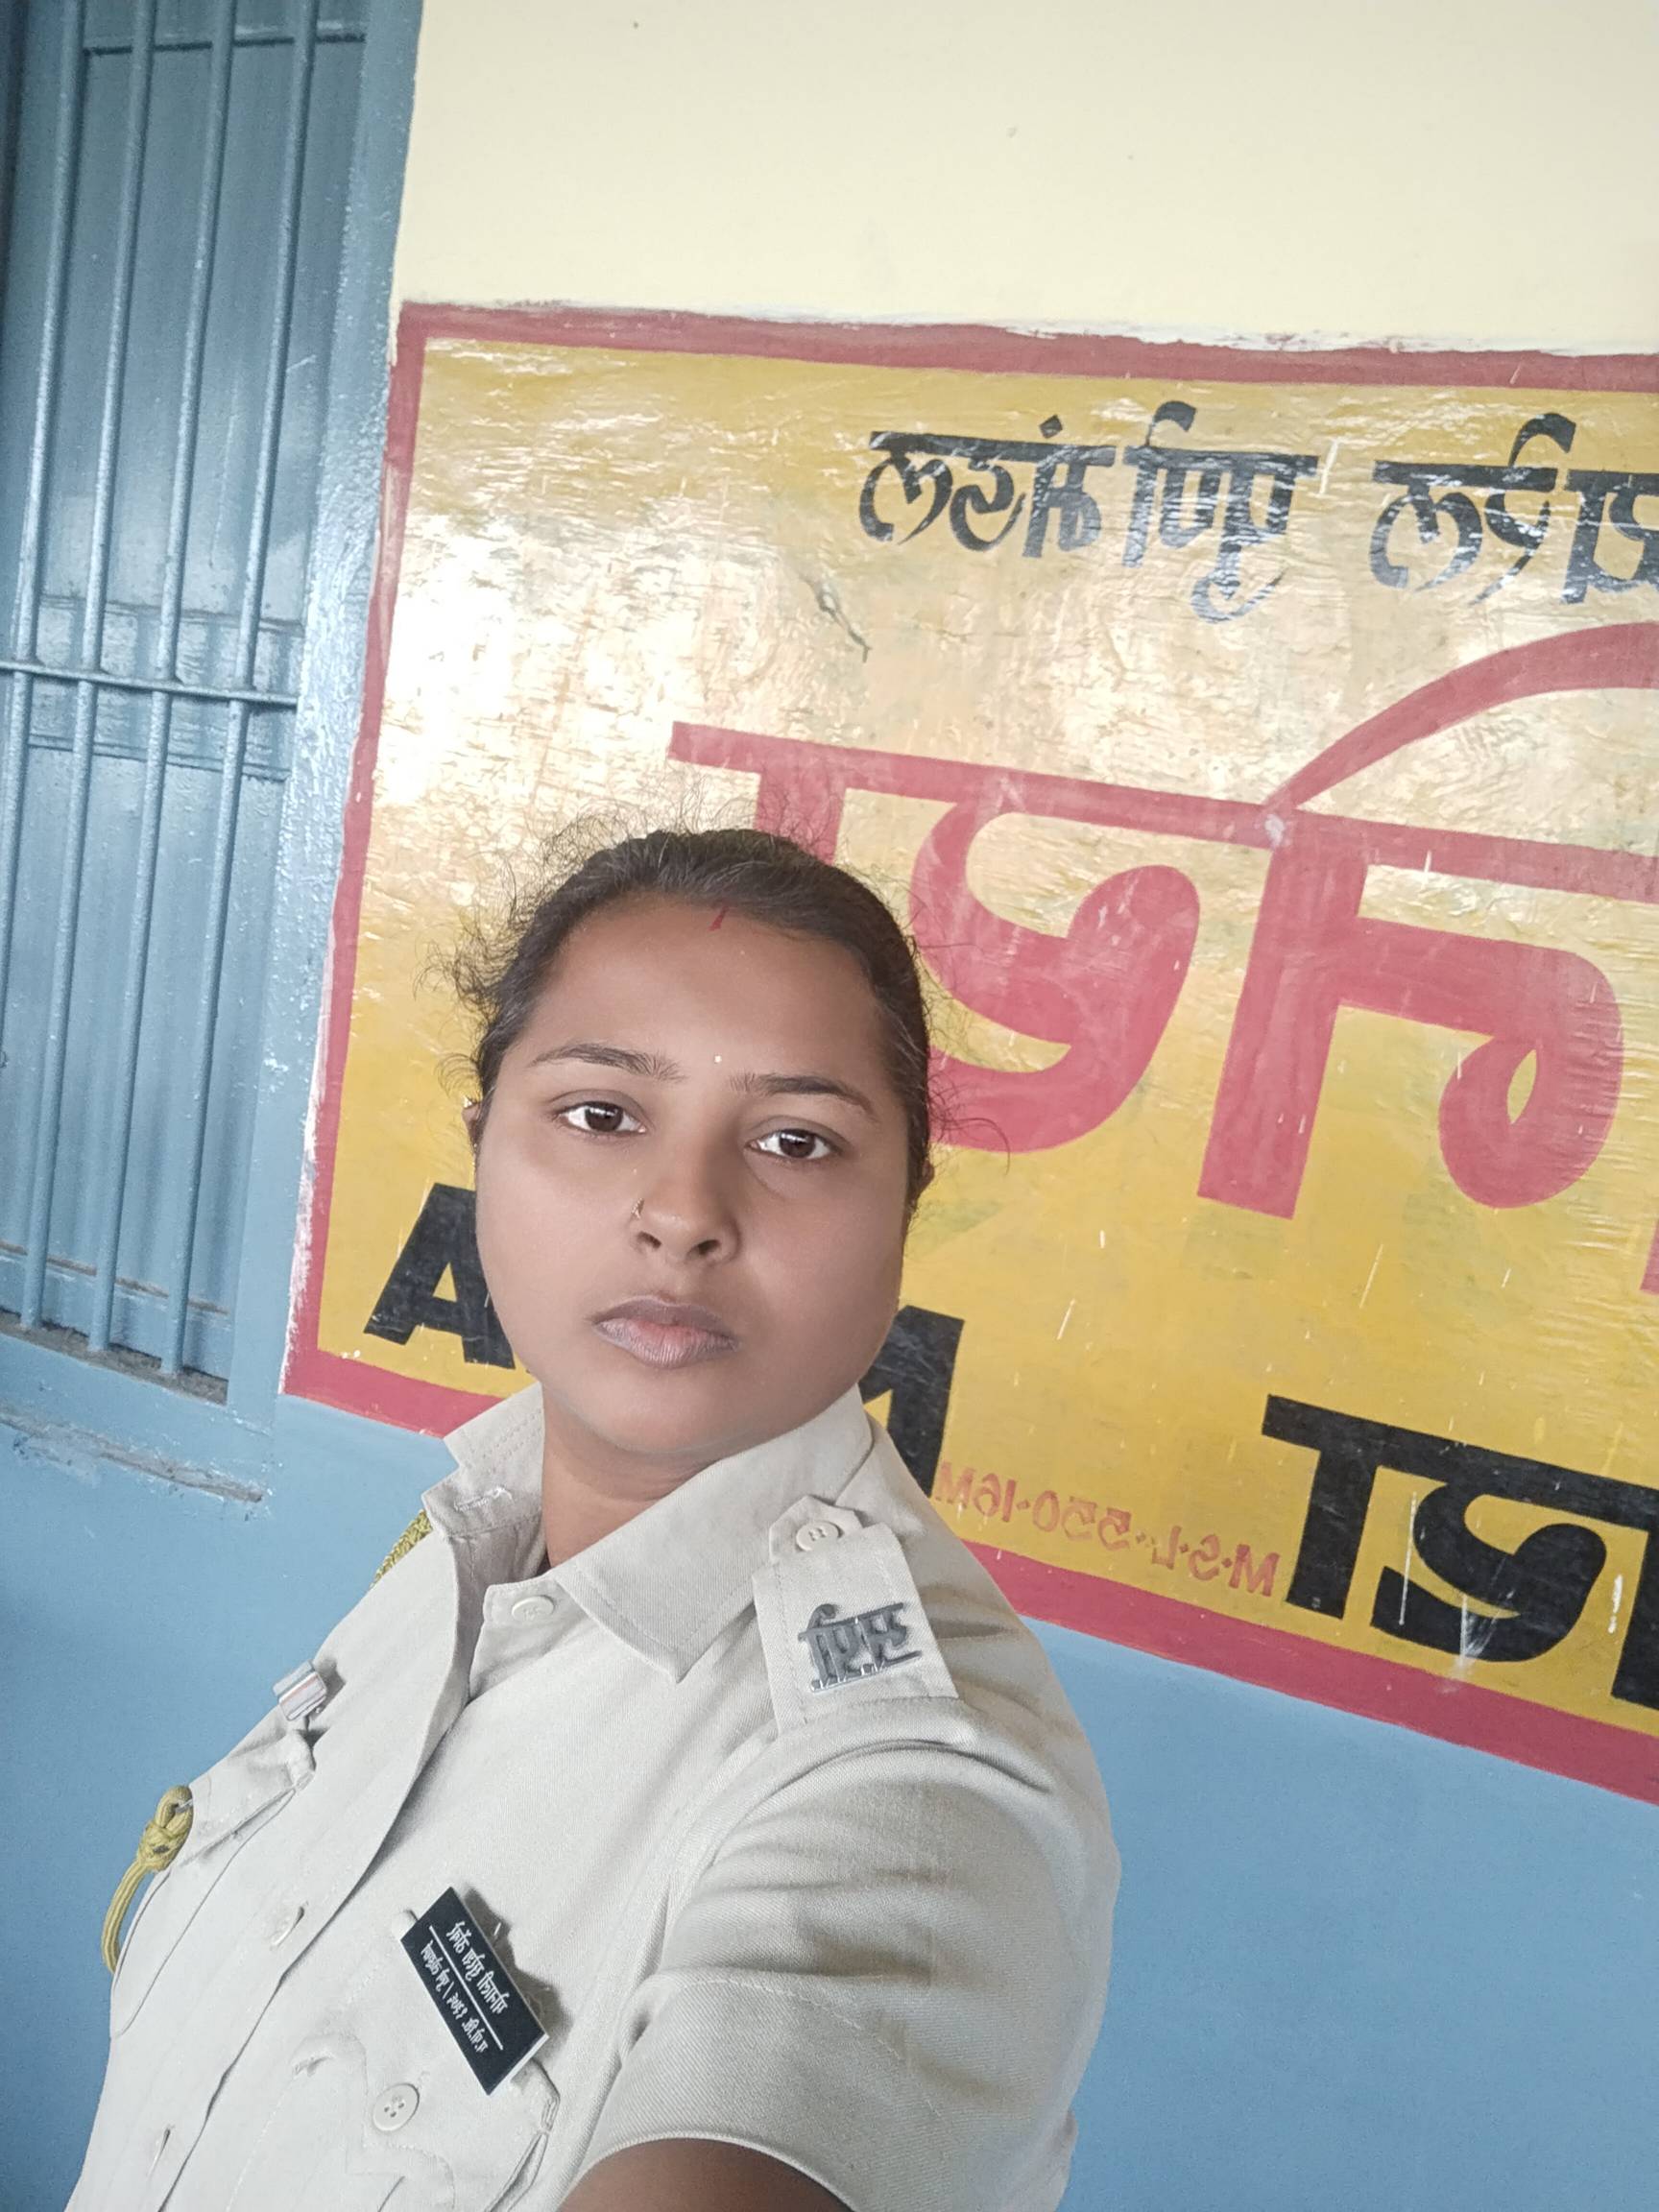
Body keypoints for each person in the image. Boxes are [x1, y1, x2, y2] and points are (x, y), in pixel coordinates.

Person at [73, 827, 1118, 2212]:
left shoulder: (915, 1794)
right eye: (603, 1115)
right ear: (483, 1145)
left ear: (904, 1207)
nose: (683, 1214)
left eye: (796, 1141)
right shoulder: (474, 1538)